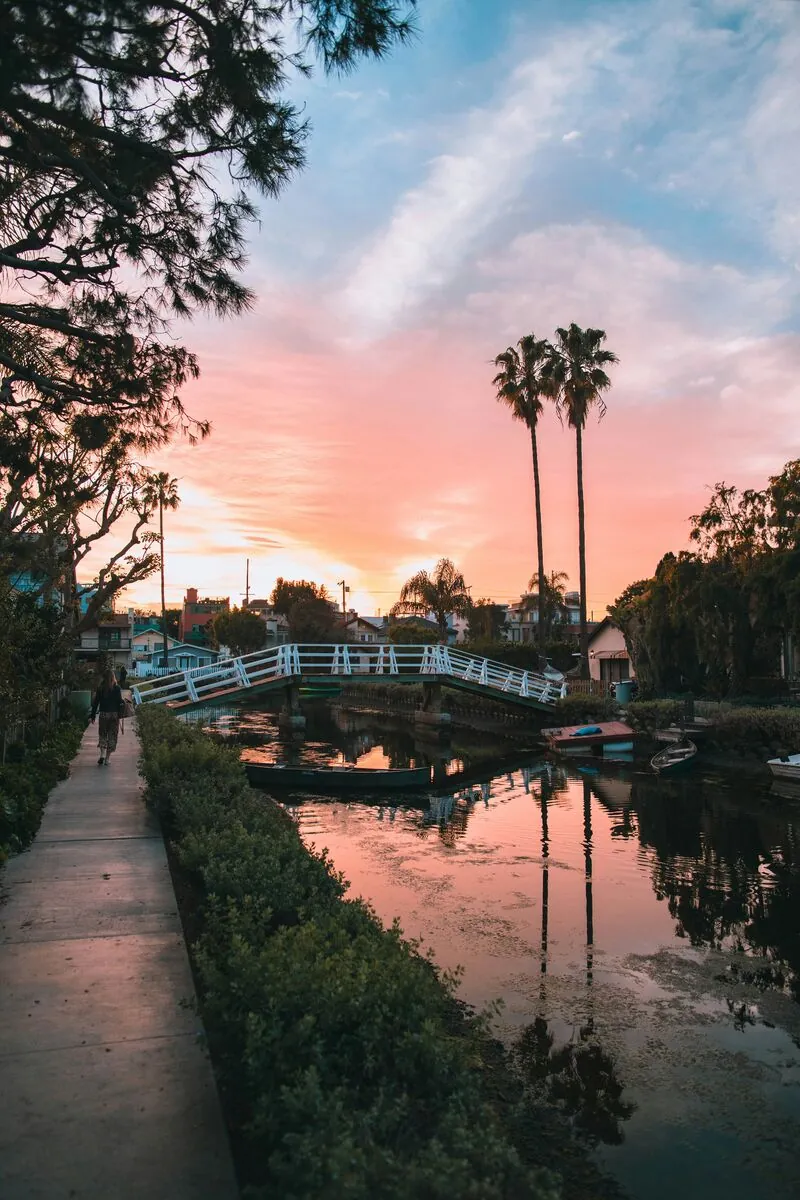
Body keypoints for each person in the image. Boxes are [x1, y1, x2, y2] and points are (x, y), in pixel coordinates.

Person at [91, 669, 125, 765]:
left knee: (102, 734)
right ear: (113, 677)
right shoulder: (117, 688)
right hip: (114, 715)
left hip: (103, 715)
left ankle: (102, 754)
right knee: (112, 736)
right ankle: (107, 759)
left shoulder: (100, 688)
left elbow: (95, 703)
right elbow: (119, 702)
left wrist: (92, 716)